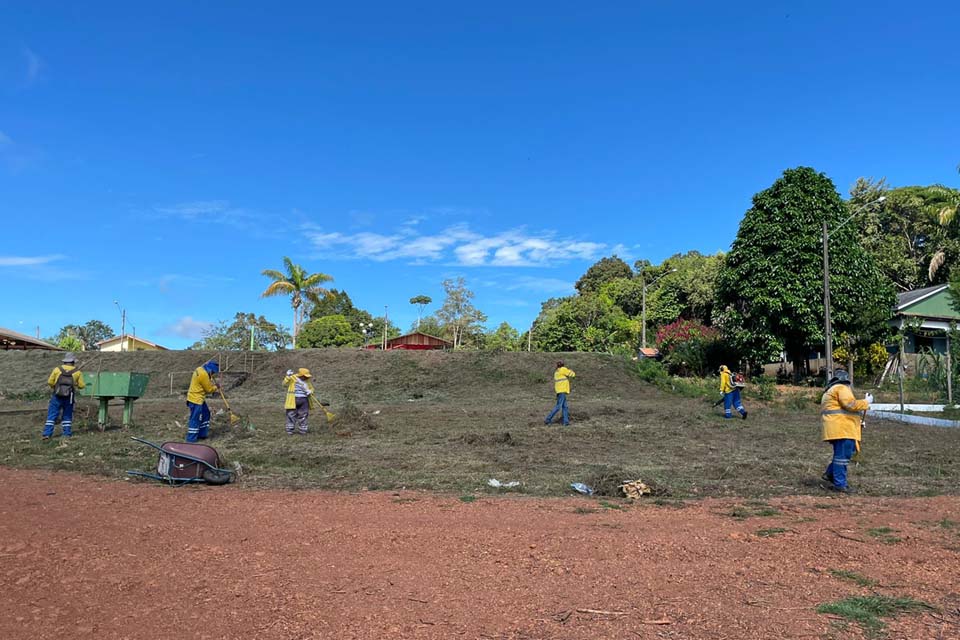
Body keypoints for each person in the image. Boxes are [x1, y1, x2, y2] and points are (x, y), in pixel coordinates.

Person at [820, 369, 872, 494]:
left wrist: (858, 423)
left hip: (838, 428)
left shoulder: (830, 391)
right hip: (842, 429)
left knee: (841, 454)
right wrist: (866, 402)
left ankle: (830, 474)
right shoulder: (841, 388)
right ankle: (840, 484)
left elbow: (843, 411)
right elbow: (850, 405)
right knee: (842, 457)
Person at [42, 352, 86, 439]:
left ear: (65, 361)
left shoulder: (57, 369)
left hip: (57, 395)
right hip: (69, 396)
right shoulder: (77, 372)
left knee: (52, 414)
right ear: (73, 361)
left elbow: (50, 382)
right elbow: (81, 386)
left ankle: (47, 433)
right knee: (67, 415)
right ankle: (66, 434)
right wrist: (75, 384)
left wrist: (54, 388)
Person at [186, 360, 220, 442]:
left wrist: (210, 377)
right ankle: (191, 439)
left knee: (206, 414)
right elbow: (208, 390)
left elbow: (206, 379)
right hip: (196, 400)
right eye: (213, 372)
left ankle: (202, 434)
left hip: (196, 398)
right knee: (195, 418)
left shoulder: (200, 369)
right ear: (210, 369)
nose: (213, 374)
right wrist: (216, 387)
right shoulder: (204, 375)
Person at [283, 368, 314, 435]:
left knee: (303, 415)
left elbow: (311, 388)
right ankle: (290, 430)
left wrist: (310, 391)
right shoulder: (292, 378)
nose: (306, 377)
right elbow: (284, 384)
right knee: (291, 414)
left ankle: (303, 430)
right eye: (305, 376)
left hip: (304, 400)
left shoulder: (307, 381)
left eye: (307, 376)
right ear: (301, 375)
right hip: (293, 400)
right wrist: (287, 376)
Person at [544, 360, 576, 426]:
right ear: (563, 365)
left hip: (559, 391)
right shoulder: (563, 369)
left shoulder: (556, 372)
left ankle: (566, 422)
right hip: (562, 390)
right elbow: (572, 375)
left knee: (565, 407)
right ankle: (548, 419)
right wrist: (571, 370)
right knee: (558, 407)